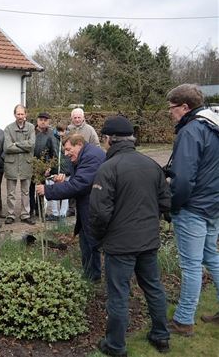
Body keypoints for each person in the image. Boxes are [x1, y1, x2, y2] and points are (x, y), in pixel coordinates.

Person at [90, 116, 171, 356]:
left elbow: (99, 213)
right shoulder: (151, 164)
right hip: (147, 241)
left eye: (104, 138)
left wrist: (99, 238)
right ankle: (161, 337)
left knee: (119, 295)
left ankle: (115, 345)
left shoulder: (108, 168)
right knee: (154, 288)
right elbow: (166, 202)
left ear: (109, 139)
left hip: (120, 245)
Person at [165, 84, 219, 335]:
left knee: (191, 265)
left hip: (193, 208)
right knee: (212, 258)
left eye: (172, 108)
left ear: (185, 107)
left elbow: (183, 179)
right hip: (212, 206)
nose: (170, 112)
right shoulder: (214, 126)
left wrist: (172, 205)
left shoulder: (192, 130)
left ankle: (183, 320)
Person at [36, 134, 105, 282]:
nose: (66, 154)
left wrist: (48, 190)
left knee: (92, 243)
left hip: (94, 208)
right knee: (86, 242)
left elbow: (79, 185)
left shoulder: (91, 157)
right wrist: (62, 181)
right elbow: (79, 181)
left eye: (68, 149)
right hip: (89, 206)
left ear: (79, 144)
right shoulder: (85, 154)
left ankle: (93, 278)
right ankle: (90, 275)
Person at [3, 104, 36, 225]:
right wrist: (24, 146)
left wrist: (16, 143)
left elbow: (31, 145)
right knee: (11, 192)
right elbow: (7, 147)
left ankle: (25, 214)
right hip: (11, 164)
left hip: (26, 163)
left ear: (26, 114)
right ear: (14, 114)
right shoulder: (8, 128)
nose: (20, 116)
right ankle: (10, 214)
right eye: (18, 114)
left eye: (22, 114)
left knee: (25, 191)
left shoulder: (31, 128)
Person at [30, 112, 57, 220]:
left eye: (45, 120)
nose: (43, 121)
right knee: (29, 189)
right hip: (30, 165)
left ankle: (40, 211)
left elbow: (54, 153)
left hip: (43, 167)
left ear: (48, 121)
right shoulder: (31, 132)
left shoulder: (51, 134)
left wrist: (49, 167)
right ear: (37, 120)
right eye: (41, 119)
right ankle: (30, 210)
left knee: (41, 189)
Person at [47, 122, 72, 221]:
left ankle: (62, 214)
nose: (62, 133)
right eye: (60, 131)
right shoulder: (51, 138)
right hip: (54, 169)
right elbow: (47, 153)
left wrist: (66, 170)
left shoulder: (70, 139)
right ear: (56, 130)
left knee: (65, 192)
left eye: (64, 131)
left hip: (66, 170)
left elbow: (70, 155)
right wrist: (48, 166)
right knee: (53, 191)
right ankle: (55, 213)